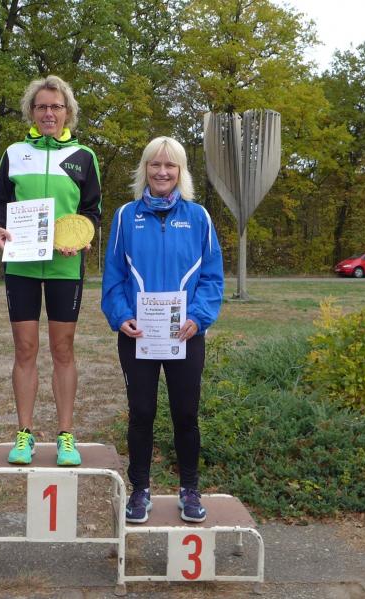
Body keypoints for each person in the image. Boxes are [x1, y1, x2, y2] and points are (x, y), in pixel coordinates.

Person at [101, 136, 224, 523]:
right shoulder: (125, 216)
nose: (162, 172)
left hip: (185, 334)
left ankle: (190, 489)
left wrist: (198, 317)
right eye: (155, 164)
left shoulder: (199, 217)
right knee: (141, 413)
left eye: (170, 165)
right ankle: (140, 490)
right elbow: (113, 277)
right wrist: (121, 315)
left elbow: (212, 277)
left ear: (181, 172)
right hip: (137, 334)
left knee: (186, 414)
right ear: (145, 169)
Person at [0, 75, 101, 466]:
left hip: (64, 265)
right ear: (31, 112)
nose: (49, 113)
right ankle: (24, 434)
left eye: (56, 106)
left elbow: (92, 210)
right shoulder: (14, 152)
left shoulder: (84, 156)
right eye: (42, 107)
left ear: (67, 111)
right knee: (25, 348)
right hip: (21, 263)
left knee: (62, 349)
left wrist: (83, 236)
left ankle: (66, 434)